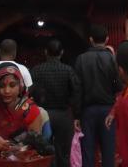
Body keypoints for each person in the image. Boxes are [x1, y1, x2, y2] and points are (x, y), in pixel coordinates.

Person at [74, 25, 120, 167]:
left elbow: (77, 89)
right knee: (108, 150)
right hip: (108, 110)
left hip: (88, 111)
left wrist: (76, 114)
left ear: (90, 39)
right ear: (107, 39)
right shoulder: (112, 59)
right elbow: (118, 85)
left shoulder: (81, 59)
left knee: (87, 150)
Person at [30, 39, 80, 167]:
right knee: (64, 151)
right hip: (63, 115)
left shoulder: (36, 70)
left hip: (42, 115)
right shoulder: (68, 70)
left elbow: (30, 92)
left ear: (46, 52)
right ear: (61, 52)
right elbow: (76, 92)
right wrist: (76, 114)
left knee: (42, 149)